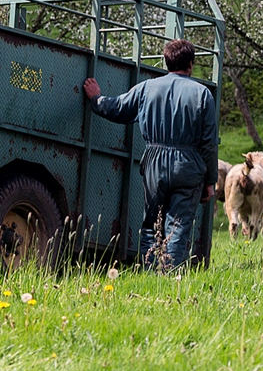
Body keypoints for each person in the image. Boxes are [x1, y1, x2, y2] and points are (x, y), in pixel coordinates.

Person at [83, 39, 217, 271]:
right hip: (188, 165)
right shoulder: (202, 94)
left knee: (150, 223)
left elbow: (117, 108)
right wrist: (210, 181)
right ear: (191, 64)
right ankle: (168, 277)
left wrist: (96, 98)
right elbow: (209, 143)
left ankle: (149, 272)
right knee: (177, 226)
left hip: (155, 162)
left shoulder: (146, 88)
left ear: (165, 62)